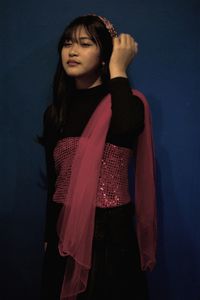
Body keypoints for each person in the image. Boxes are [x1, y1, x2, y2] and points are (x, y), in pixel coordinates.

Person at [39, 14, 157, 300]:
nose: (73, 50)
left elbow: (127, 127)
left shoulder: (129, 102)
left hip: (111, 239)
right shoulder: (56, 114)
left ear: (104, 54)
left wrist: (118, 68)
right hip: (64, 234)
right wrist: (48, 236)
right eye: (67, 43)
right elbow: (56, 182)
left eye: (85, 43)